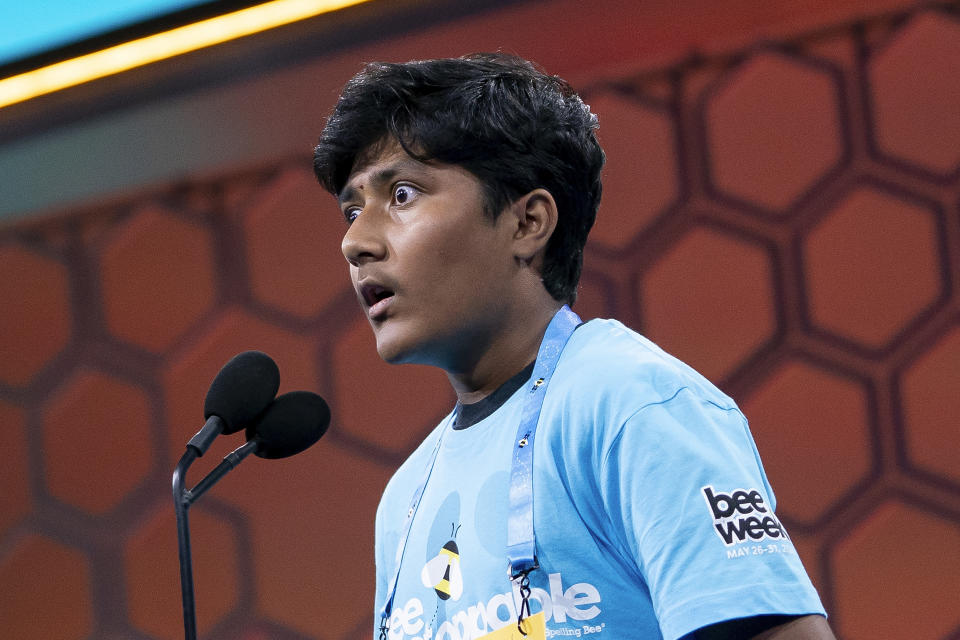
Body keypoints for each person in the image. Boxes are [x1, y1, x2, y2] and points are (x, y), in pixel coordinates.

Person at [313, 53, 835, 640]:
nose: (355, 242)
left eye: (402, 195)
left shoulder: (631, 404)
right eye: (352, 210)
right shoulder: (404, 498)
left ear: (528, 223)